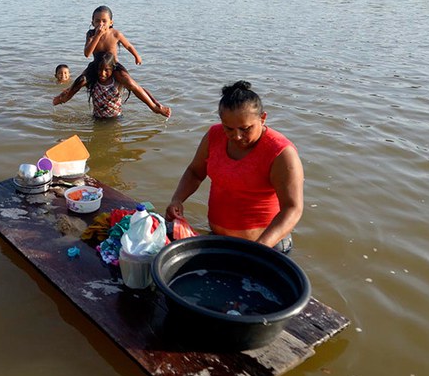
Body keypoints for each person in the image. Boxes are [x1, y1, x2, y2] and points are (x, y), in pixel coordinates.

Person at [165, 81, 303, 252]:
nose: (237, 136)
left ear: (263, 118)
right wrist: (177, 199)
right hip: (219, 237)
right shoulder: (214, 135)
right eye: (229, 128)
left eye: (245, 129)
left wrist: (261, 247)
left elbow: (293, 208)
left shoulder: (281, 153)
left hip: (266, 246)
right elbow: (195, 172)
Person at [53, 52, 170, 119]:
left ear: (113, 69)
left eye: (106, 70)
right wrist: (61, 99)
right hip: (96, 119)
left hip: (116, 119)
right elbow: (75, 88)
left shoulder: (117, 80)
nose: (102, 74)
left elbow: (138, 89)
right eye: (99, 70)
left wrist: (155, 107)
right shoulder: (92, 80)